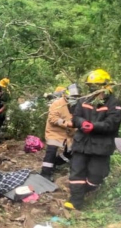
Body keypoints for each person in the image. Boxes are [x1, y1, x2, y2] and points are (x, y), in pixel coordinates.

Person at [64, 69, 121, 210]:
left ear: (106, 86)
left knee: (96, 176)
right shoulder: (84, 100)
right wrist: (82, 123)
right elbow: (76, 116)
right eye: (91, 86)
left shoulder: (114, 103)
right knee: (76, 172)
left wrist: (94, 126)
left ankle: (84, 192)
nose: (93, 89)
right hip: (81, 143)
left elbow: (113, 123)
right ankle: (75, 202)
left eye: (96, 86)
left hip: (101, 146)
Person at [40, 84, 80, 181]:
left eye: (76, 97)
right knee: (51, 150)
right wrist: (66, 123)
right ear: (66, 95)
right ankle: (45, 173)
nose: (74, 99)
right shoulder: (57, 104)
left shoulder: (78, 105)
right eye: (72, 97)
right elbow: (53, 119)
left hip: (69, 134)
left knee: (70, 152)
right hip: (54, 132)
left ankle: (55, 163)